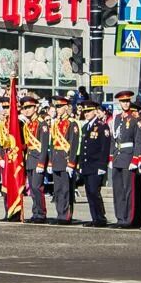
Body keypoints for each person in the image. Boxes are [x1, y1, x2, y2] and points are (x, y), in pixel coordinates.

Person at [109, 92, 141, 229]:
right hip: (117, 156)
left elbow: (139, 141)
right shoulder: (116, 118)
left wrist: (135, 159)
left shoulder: (135, 118)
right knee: (118, 191)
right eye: (123, 102)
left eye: (128, 101)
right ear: (119, 103)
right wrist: (111, 157)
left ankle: (129, 219)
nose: (126, 104)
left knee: (129, 190)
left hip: (128, 157)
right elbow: (113, 139)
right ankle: (120, 217)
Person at [47, 95, 80, 225]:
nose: (58, 109)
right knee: (58, 189)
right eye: (57, 106)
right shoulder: (56, 123)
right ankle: (60, 213)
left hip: (66, 160)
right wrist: (50, 161)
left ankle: (66, 215)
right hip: (56, 159)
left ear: (66, 108)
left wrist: (71, 163)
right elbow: (52, 143)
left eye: (60, 107)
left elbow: (74, 143)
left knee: (66, 190)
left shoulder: (72, 124)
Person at [79, 101, 111, 227]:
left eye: (89, 111)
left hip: (96, 165)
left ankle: (100, 218)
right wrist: (81, 165)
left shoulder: (102, 126)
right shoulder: (85, 127)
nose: (86, 114)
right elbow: (83, 148)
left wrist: (102, 166)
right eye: (85, 112)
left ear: (95, 111)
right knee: (89, 193)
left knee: (94, 191)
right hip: (87, 165)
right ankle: (94, 218)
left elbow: (104, 147)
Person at [21, 96, 49, 223]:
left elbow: (44, 146)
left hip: (38, 160)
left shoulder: (42, 124)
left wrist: (41, 163)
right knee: (32, 188)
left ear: (35, 107)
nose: (26, 110)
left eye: (29, 107)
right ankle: (35, 212)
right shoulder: (28, 125)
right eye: (24, 108)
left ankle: (41, 214)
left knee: (37, 187)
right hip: (30, 160)